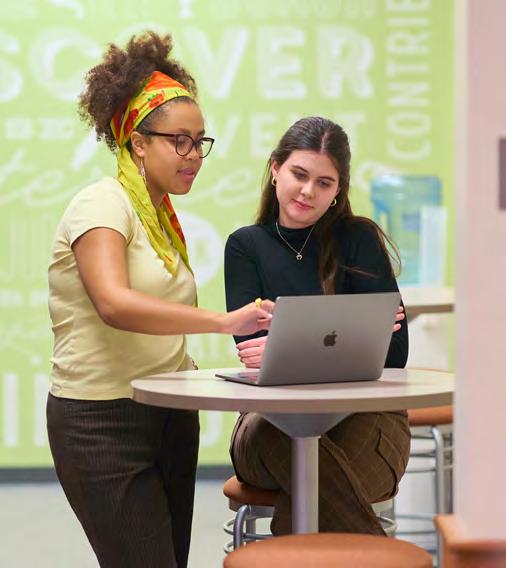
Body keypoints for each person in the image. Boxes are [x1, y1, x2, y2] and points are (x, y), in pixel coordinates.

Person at [46, 32, 273, 568]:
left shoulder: (162, 219)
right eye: (179, 141)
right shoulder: (101, 205)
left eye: (200, 142)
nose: (194, 156)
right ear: (137, 142)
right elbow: (114, 304)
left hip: (169, 412)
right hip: (100, 419)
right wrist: (223, 322)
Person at [224, 116, 410, 536]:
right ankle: (380, 556)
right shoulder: (245, 246)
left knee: (313, 480)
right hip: (269, 424)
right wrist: (352, 332)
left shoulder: (358, 239)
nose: (308, 191)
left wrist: (290, 340)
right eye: (299, 174)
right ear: (275, 169)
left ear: (338, 190)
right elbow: (254, 353)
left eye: (324, 183)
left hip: (368, 418)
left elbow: (396, 354)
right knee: (290, 446)